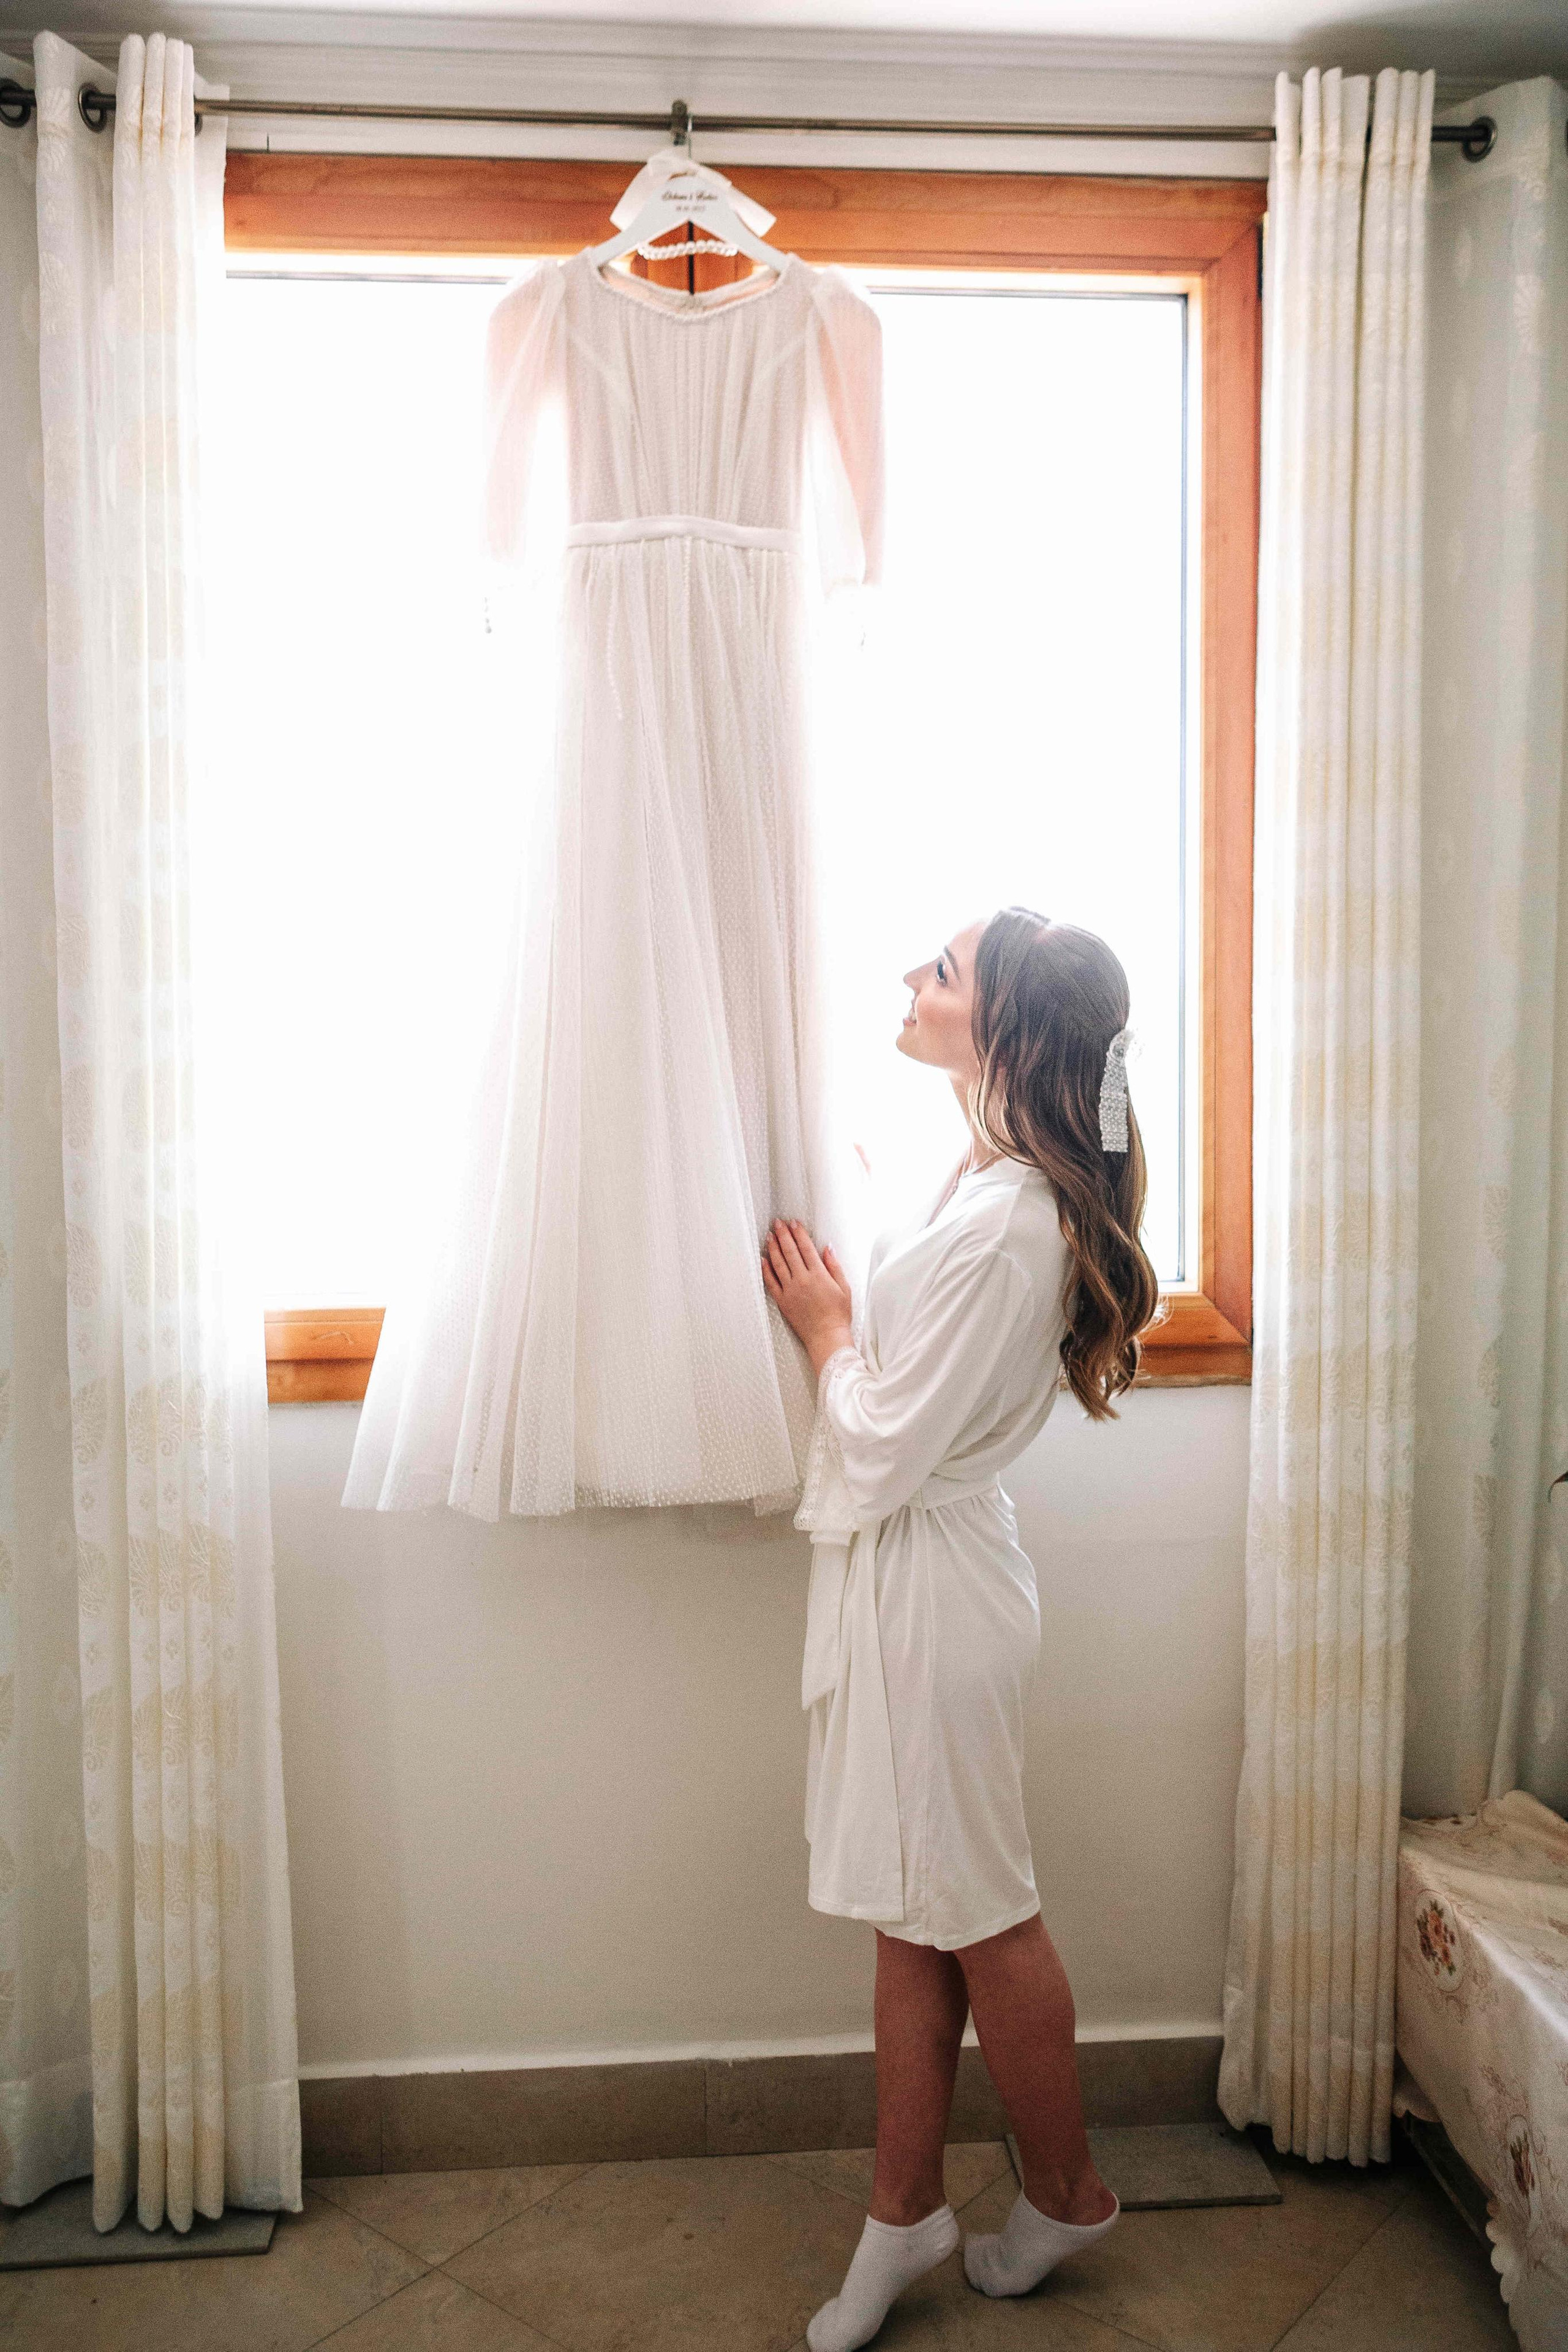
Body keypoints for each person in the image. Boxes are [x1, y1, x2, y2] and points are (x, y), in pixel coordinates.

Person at [762, 906, 1163, 2352]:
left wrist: (823, 1332)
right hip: (924, 1587)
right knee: (913, 1908)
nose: (913, 982)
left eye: (942, 972)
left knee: (980, 1911)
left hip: (937, 1598)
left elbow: (881, 1438)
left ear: (1003, 1031)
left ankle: (1063, 2189)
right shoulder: (981, 1178)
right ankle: (901, 2210)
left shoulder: (1008, 1223)